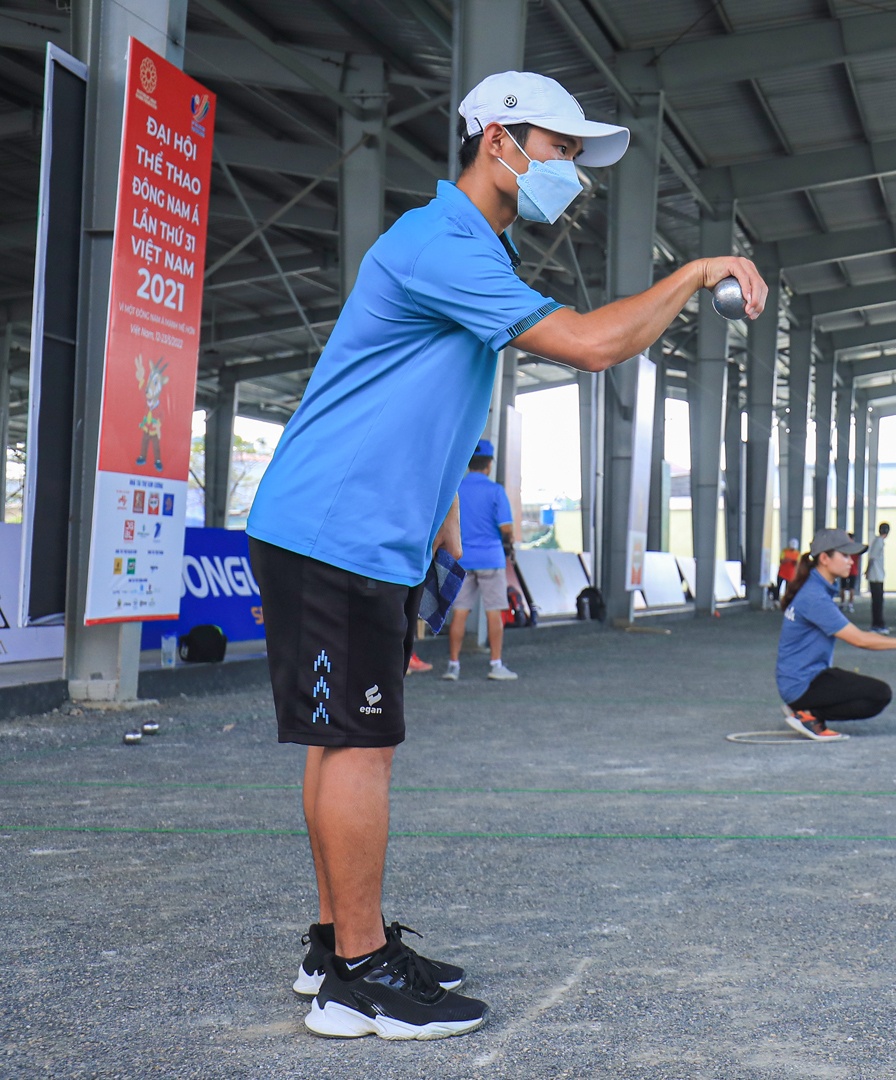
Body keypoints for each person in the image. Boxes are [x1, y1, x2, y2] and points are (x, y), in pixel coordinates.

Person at [245, 70, 768, 1041]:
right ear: (498, 139)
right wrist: (696, 273)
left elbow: (594, 343)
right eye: (560, 148)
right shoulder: (440, 242)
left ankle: (338, 944)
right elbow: (591, 345)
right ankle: (358, 976)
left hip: (353, 532)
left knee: (343, 740)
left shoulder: (473, 247)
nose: (572, 169)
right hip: (336, 527)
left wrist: (685, 289)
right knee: (359, 745)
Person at [776, 528, 896, 740]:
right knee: (879, 695)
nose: (851, 561)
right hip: (802, 684)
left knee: (871, 692)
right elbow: (860, 640)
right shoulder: (815, 597)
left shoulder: (815, 588)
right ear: (824, 559)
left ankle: (806, 710)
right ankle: (808, 714)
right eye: (845, 556)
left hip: (802, 679)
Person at [444, 439, 518, 682]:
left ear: (469, 464)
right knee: (493, 612)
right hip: (490, 559)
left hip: (462, 559)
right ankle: (495, 664)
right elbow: (506, 527)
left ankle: (453, 665)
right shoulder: (495, 491)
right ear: (489, 465)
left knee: (460, 612)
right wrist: (510, 538)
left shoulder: (457, 489)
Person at [865, 521, 890, 632]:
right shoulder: (878, 542)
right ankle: (878, 624)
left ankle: (877, 623)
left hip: (877, 575)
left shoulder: (878, 541)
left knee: (877, 601)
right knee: (878, 602)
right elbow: (872, 558)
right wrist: (867, 571)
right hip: (876, 576)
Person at [840, 533, 860, 612]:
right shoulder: (855, 549)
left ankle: (843, 603)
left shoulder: (843, 548)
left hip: (844, 569)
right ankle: (850, 604)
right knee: (851, 588)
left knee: (843, 587)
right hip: (853, 570)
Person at [777, 538, 801, 603]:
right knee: (778, 587)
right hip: (782, 573)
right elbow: (781, 561)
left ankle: (785, 601)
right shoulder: (784, 551)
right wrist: (787, 560)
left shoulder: (797, 554)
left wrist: (795, 563)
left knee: (787, 589)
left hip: (790, 575)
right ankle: (776, 599)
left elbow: (798, 564)